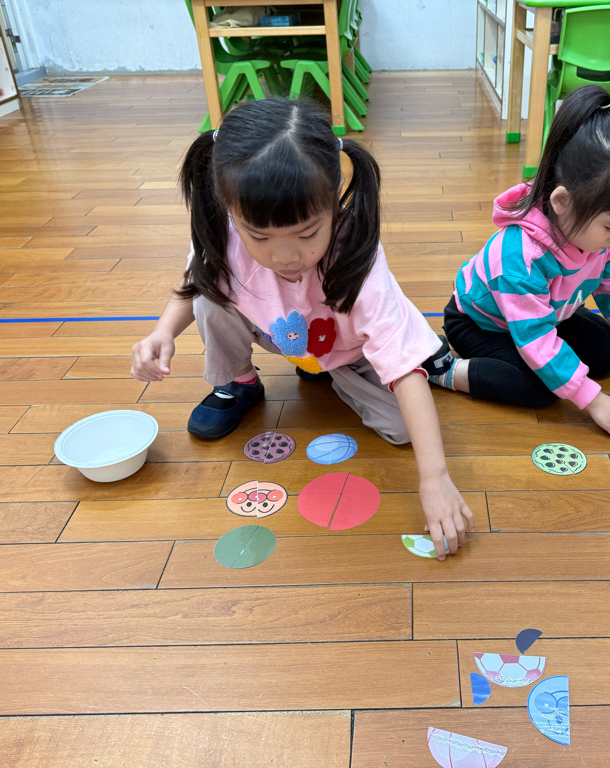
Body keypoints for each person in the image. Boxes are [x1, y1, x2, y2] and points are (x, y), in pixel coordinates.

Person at [130, 99, 472, 558]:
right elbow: (196, 281)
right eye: (260, 237)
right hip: (284, 334)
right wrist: (163, 332)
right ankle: (238, 385)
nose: (285, 256)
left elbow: (402, 369)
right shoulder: (224, 232)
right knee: (210, 301)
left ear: (333, 199)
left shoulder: (357, 254)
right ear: (231, 209)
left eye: (308, 233)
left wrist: (435, 478)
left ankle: (356, 367)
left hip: (348, 350)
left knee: (402, 430)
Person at [428, 85, 610, 437]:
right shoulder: (519, 256)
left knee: (606, 353)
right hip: (480, 323)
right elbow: (534, 337)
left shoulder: (602, 236)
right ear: (563, 202)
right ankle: (444, 369)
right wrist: (593, 400)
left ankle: (562, 368)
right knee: (540, 388)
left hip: (546, 313)